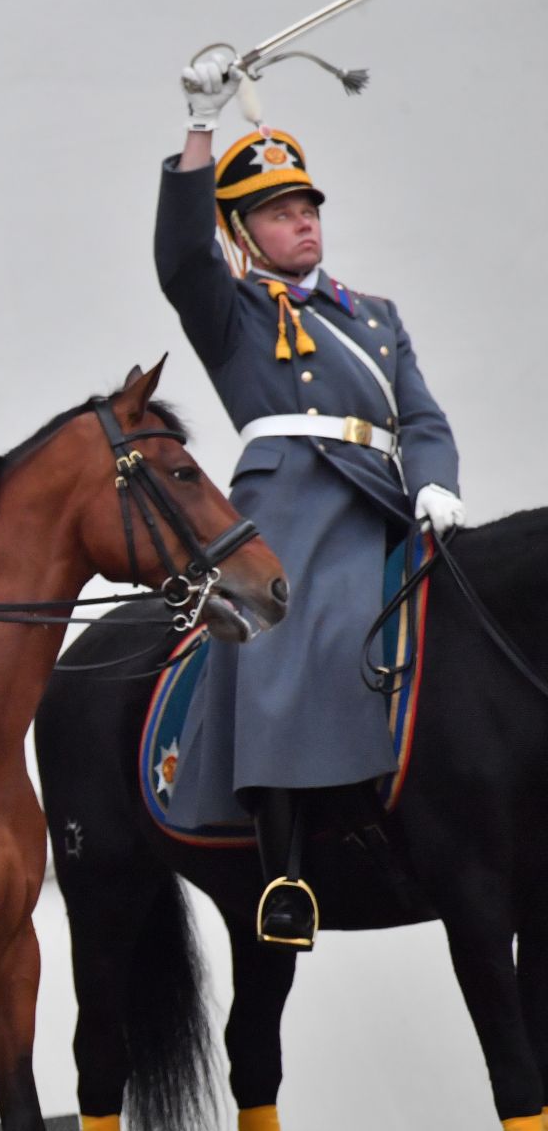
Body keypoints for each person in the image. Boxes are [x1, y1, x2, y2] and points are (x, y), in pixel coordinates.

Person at [157, 54, 462, 949]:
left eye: (308, 208)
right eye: (280, 214)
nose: (302, 223)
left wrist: (436, 480)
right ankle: (285, 868)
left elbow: (423, 416)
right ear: (245, 233)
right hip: (290, 500)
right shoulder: (232, 312)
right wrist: (198, 126)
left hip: (384, 498)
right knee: (287, 632)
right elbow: (180, 255)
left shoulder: (376, 315)